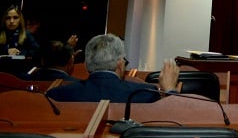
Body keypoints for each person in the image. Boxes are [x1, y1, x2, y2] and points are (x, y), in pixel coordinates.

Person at [46, 34, 179, 103]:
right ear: (120, 64)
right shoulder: (146, 93)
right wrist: (170, 90)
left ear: (85, 65)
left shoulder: (56, 95)